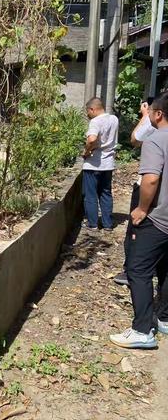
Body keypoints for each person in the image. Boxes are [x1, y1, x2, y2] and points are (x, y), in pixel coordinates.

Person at [110, 92, 168, 349]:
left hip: (158, 218)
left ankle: (143, 330)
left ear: (157, 114)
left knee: (138, 269)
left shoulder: (156, 140)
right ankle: (165, 318)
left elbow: (151, 179)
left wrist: (142, 209)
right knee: (166, 269)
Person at [113, 101, 156, 286]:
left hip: (148, 188)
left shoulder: (156, 123)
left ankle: (132, 271)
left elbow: (135, 138)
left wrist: (145, 116)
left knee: (136, 229)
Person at [82, 97, 119, 230]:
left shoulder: (95, 121)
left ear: (92, 109)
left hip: (93, 164)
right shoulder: (114, 119)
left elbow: (92, 139)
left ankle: (92, 224)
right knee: (105, 193)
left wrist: (86, 151)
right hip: (108, 163)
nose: (88, 114)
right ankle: (108, 224)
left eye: (88, 111)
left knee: (90, 194)